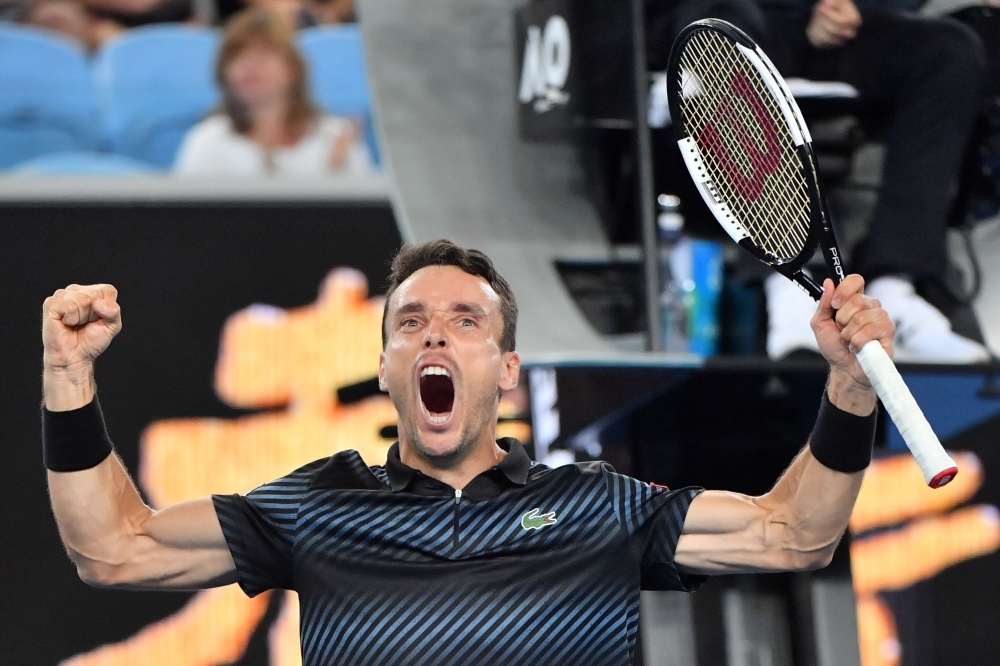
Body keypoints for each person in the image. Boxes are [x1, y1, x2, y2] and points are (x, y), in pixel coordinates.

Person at [42, 240, 891, 665]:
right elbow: (114, 550)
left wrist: (852, 388)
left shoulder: (597, 505)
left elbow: (793, 534)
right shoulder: (316, 507)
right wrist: (67, 378)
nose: (433, 335)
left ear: (508, 370)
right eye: (410, 323)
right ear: (384, 368)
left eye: (465, 322)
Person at [647, 0, 991, 363]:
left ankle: (893, 288)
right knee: (721, 31)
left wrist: (855, 12)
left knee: (950, 49)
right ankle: (793, 288)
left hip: (838, 32)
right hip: (734, 20)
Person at [173, 7, 373, 177]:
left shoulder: (333, 139)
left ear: (292, 68)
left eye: (264, 54)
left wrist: (336, 175)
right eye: (237, 58)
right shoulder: (208, 143)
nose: (249, 68)